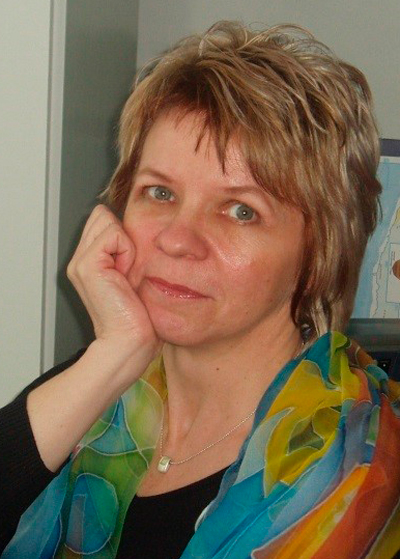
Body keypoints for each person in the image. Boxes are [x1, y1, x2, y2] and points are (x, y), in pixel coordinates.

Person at [1, 20, 399, 559]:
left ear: (319, 256)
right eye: (159, 192)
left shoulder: (371, 471)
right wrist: (113, 356)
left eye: (241, 211)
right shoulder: (95, 389)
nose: (176, 239)